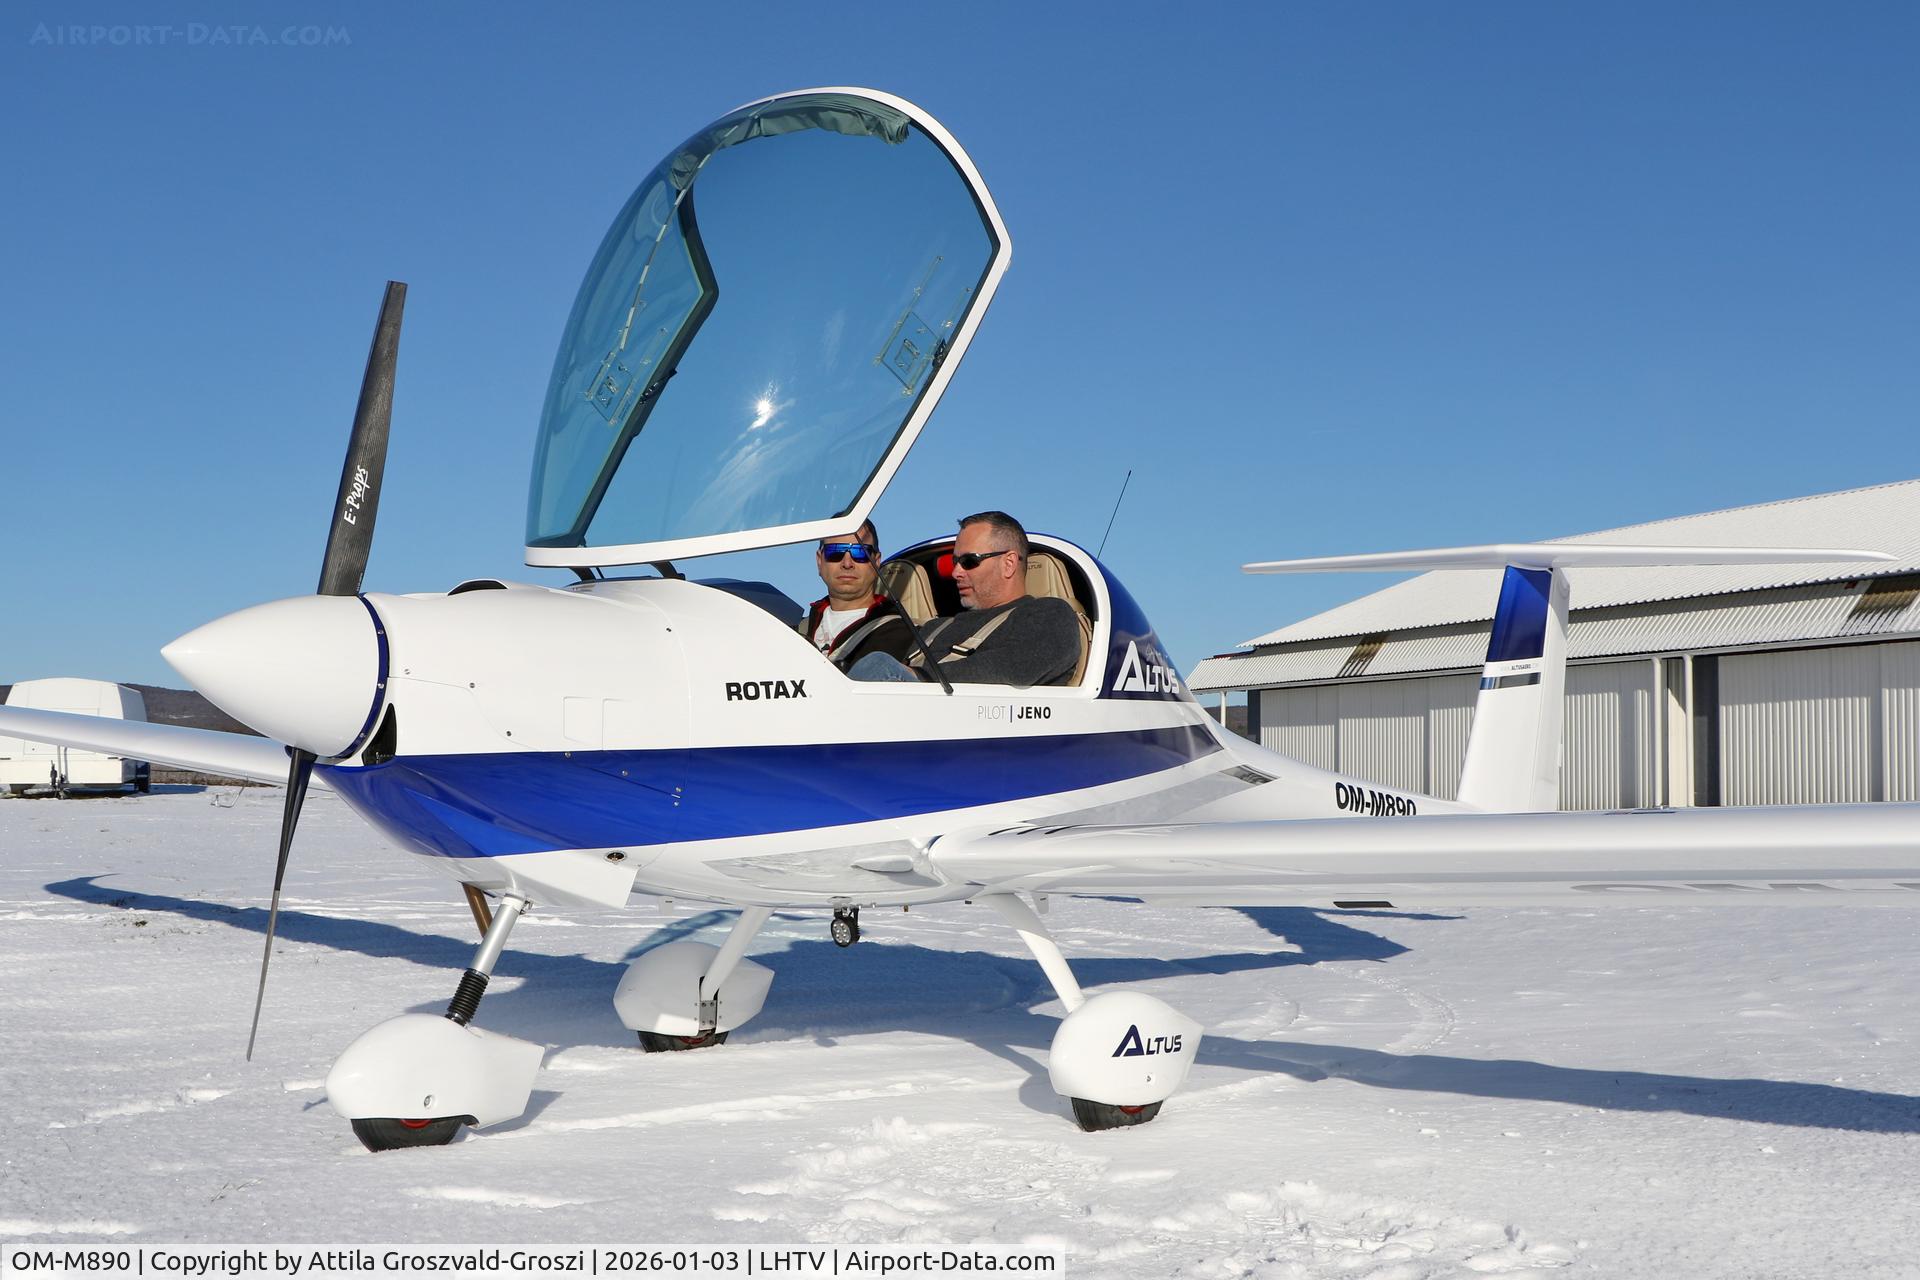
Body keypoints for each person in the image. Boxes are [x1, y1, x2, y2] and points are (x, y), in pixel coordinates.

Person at [850, 511, 1081, 687]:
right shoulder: (936, 627)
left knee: (878, 665)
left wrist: (918, 677)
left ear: (1009, 563)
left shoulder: (1050, 615)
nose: (955, 572)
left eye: (969, 561)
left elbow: (1014, 667)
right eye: (955, 562)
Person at [798, 519, 913, 668]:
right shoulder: (796, 631)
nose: (847, 564)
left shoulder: (901, 633)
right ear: (819, 561)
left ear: (876, 561)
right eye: (835, 552)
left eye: (860, 552)